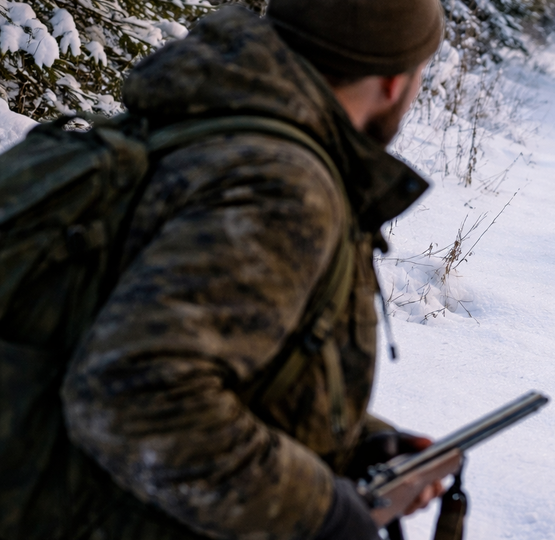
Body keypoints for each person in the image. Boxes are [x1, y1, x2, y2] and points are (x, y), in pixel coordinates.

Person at [58, 1, 448, 538]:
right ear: (392, 82)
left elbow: (211, 354)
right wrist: (318, 511)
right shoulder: (280, 185)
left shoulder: (209, 124)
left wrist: (353, 443)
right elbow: (133, 394)